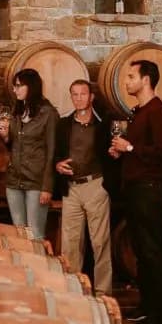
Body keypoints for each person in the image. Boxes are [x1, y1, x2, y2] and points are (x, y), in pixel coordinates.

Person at [109, 59, 162, 324]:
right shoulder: (139, 111)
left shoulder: (157, 111)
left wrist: (130, 149)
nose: (126, 81)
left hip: (149, 189)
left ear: (146, 80)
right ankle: (147, 304)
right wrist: (121, 151)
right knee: (141, 249)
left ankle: (159, 310)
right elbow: (136, 150)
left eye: (131, 76)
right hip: (136, 189)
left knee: (152, 250)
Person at [54, 78, 112, 295]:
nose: (79, 98)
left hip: (95, 186)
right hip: (71, 189)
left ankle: (103, 292)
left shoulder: (103, 123)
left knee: (100, 243)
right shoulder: (64, 124)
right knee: (70, 244)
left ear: (91, 97)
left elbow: (111, 154)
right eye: (75, 94)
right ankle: (74, 291)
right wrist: (58, 165)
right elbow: (56, 155)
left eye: (83, 94)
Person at [0, 67, 58, 240]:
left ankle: (38, 266)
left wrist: (47, 187)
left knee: (35, 234)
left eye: (19, 86)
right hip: (14, 180)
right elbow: (15, 145)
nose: (15, 90)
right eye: (14, 86)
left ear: (32, 87)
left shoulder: (48, 113)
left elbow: (52, 152)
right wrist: (5, 137)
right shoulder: (17, 111)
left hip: (36, 182)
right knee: (19, 234)